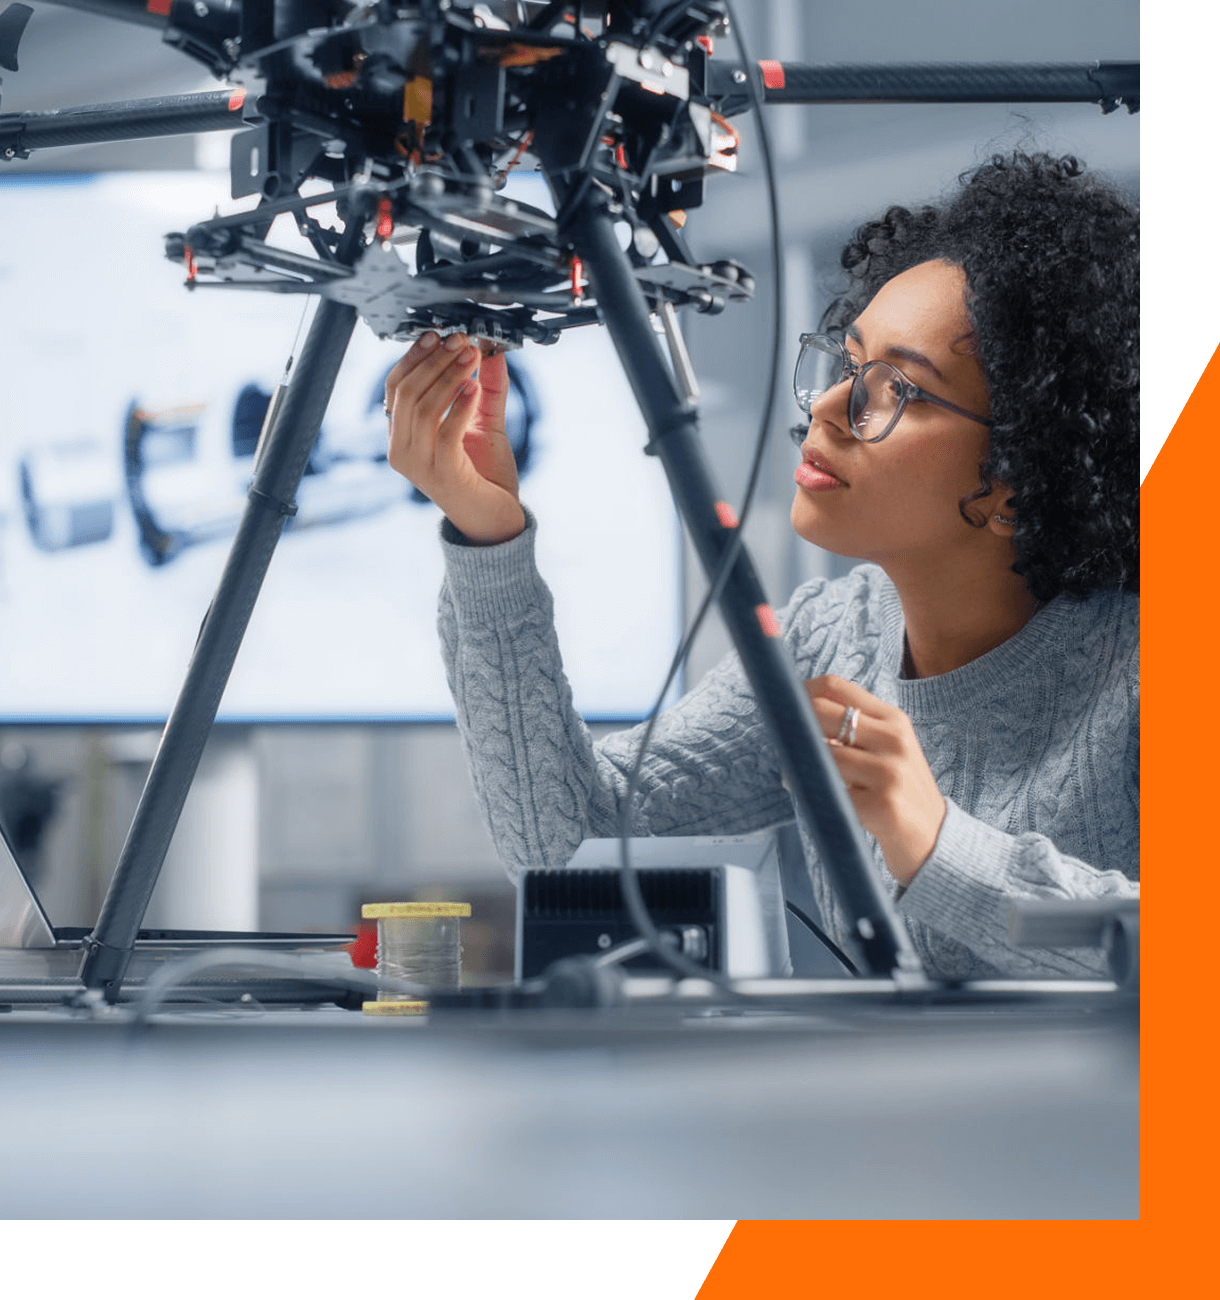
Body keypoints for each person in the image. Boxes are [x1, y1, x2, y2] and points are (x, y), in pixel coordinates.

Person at [383, 151, 1140, 980]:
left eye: (900, 390)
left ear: (1018, 484)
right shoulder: (829, 641)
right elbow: (566, 845)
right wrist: (490, 540)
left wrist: (936, 844)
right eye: (849, 364)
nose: (827, 406)